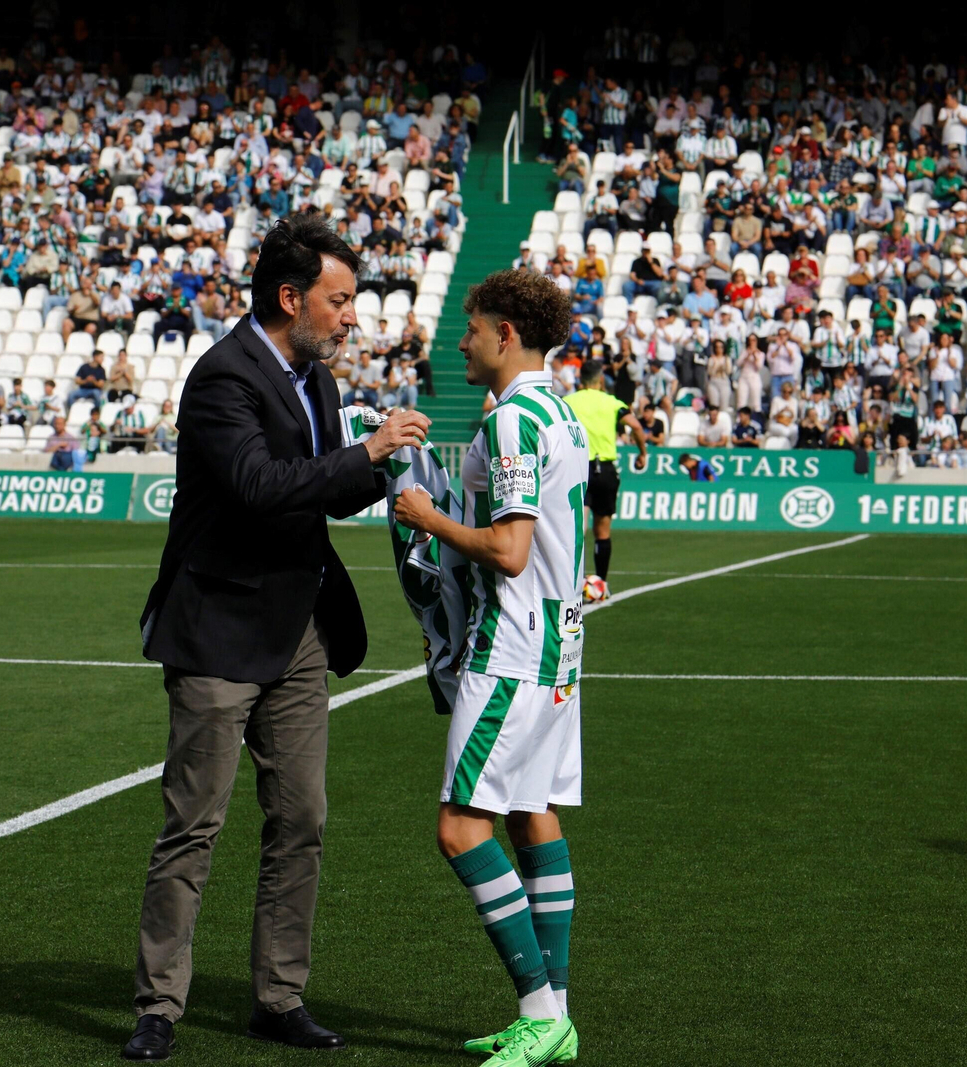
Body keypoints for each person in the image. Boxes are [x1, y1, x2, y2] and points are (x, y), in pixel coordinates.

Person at [127, 213, 430, 1061]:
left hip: (299, 629)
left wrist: (391, 471)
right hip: (219, 627)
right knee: (194, 825)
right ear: (291, 298)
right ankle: (158, 1005)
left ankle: (278, 995)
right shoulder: (222, 376)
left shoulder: (317, 379)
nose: (351, 317)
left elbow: (324, 495)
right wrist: (365, 449)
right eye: (339, 301)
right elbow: (261, 486)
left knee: (301, 818)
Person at [391, 268, 583, 1067]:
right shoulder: (559, 409)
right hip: (559, 645)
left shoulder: (511, 423)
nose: (461, 340)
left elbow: (508, 551)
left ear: (507, 334)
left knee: (460, 828)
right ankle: (555, 1016)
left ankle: (540, 1011)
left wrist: (426, 516)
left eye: (472, 328)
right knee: (531, 812)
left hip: (513, 647)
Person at [560, 359, 647, 597]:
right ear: (600, 380)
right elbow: (637, 427)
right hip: (605, 469)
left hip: (577, 468)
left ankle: (569, 584)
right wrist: (642, 453)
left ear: (580, 380)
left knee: (578, 529)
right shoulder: (612, 402)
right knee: (603, 531)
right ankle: (602, 584)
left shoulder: (567, 402)